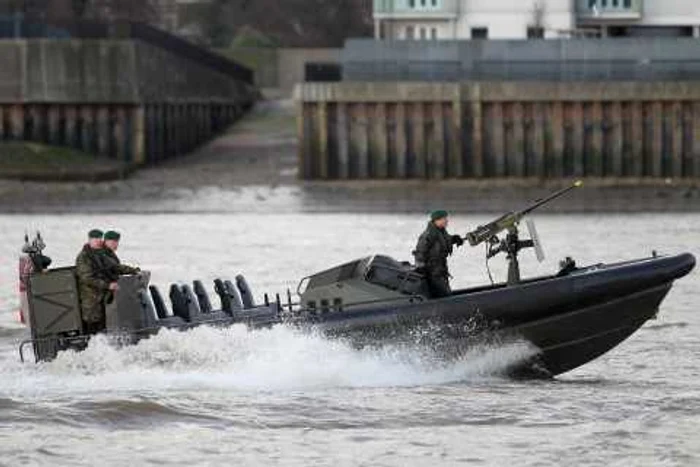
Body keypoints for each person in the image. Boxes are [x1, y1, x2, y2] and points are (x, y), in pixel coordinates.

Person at [413, 210, 464, 298]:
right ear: (436, 220)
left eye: (446, 218)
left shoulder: (442, 232)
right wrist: (421, 268)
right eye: (444, 219)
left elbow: (444, 242)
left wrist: (454, 239)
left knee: (445, 293)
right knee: (445, 295)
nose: (446, 221)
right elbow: (419, 253)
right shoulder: (428, 235)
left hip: (441, 271)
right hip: (433, 273)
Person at [75, 229, 117, 334]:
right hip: (91, 300)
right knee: (93, 329)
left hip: (101, 298)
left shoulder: (99, 254)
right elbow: (86, 278)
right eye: (95, 239)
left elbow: (113, 267)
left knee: (102, 329)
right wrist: (107, 285)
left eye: (99, 238)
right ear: (89, 240)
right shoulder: (83, 257)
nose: (98, 241)